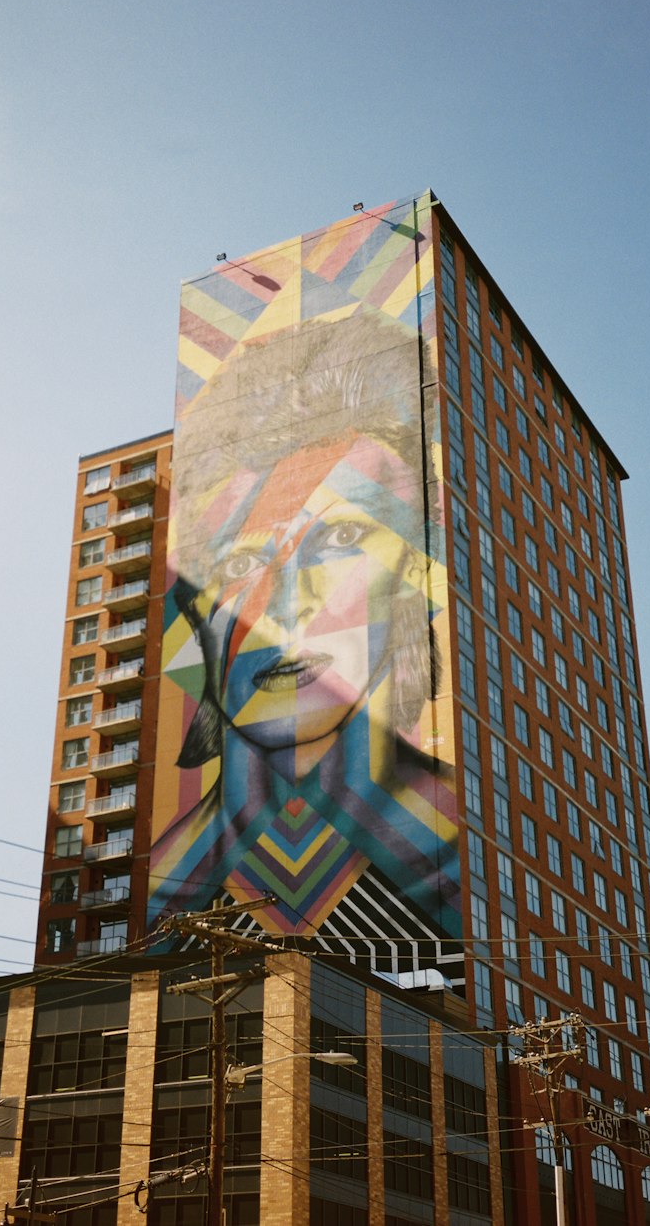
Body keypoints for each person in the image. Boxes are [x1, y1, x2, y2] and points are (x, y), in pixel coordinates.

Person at [148, 310, 462, 952]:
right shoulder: (156, 894)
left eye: (340, 539)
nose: (286, 603)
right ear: (200, 612)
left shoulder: (473, 868)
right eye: (241, 564)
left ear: (409, 570)